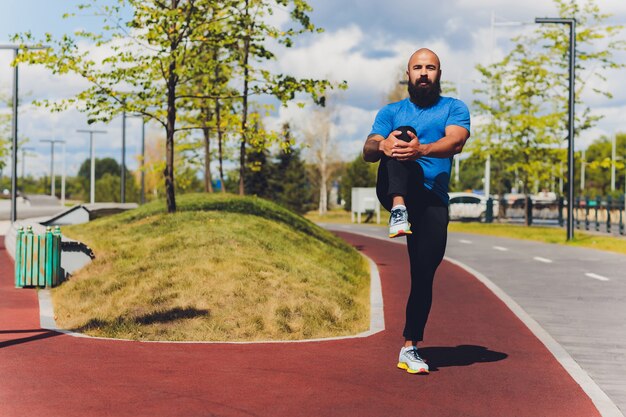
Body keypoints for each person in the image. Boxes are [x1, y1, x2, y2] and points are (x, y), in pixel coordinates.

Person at [362, 48, 470, 374]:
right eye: (418, 68)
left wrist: (421, 149)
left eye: (431, 68)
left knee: (423, 276)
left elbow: (456, 142)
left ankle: (410, 347)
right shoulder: (391, 111)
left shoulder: (454, 108)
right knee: (401, 134)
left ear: (438, 74)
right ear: (408, 74)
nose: (424, 73)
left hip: (433, 201)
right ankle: (398, 211)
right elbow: (368, 148)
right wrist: (382, 144)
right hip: (397, 190)